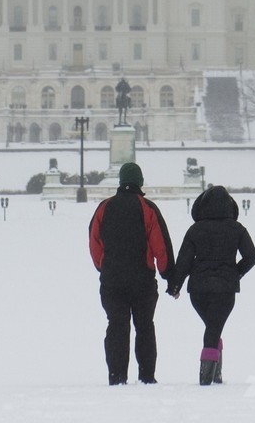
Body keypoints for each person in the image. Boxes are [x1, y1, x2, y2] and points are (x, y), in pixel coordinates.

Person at [88, 162, 174, 385]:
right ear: (140, 182)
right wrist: (168, 275)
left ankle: (116, 377)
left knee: (116, 325)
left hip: (112, 280)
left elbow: (94, 243)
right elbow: (160, 246)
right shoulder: (147, 208)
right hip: (142, 280)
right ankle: (146, 376)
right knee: (144, 326)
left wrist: (103, 266)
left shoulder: (104, 208)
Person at [168, 185, 255, 386]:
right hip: (225, 290)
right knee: (214, 328)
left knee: (213, 326)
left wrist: (175, 286)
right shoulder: (237, 229)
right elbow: (252, 256)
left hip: (198, 291)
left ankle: (214, 374)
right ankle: (206, 379)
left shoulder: (195, 230)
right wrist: (237, 272)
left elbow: (183, 262)